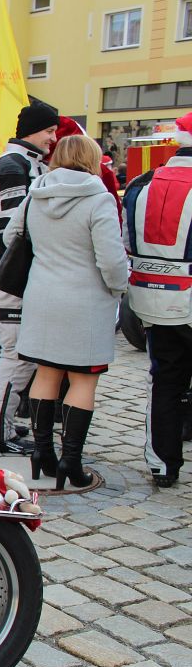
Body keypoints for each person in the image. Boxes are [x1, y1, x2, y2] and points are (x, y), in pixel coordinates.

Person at [7, 134, 128, 489]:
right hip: (85, 301)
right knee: (83, 379)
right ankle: (70, 461)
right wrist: (118, 288)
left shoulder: (36, 194)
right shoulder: (99, 199)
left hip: (42, 297)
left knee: (46, 373)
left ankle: (42, 453)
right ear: (92, 160)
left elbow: (12, 236)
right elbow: (111, 261)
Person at [0, 103, 59, 454]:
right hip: (12, 278)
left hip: (10, 276)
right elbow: (12, 232)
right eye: (49, 131)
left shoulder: (22, 163)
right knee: (14, 355)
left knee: (9, 352)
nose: (53, 138)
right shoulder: (14, 165)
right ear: (32, 130)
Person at [123, 110, 192, 487]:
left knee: (165, 378)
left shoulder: (140, 183)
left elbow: (126, 242)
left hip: (150, 295)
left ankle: (162, 463)